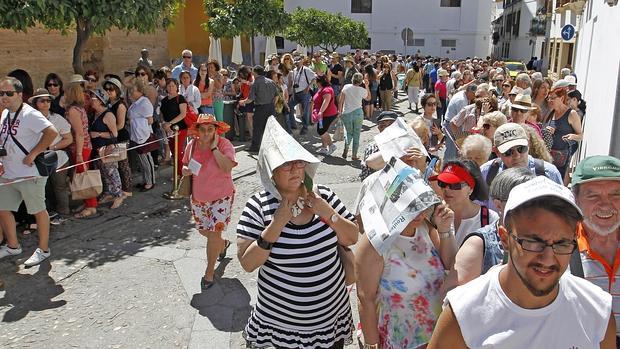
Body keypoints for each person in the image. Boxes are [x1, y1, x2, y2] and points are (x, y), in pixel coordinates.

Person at [428, 177, 617, 348]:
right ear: (504, 239)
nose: (548, 259)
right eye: (534, 242)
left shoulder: (597, 310)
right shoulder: (463, 312)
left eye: (561, 243)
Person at [236, 117, 358, 348]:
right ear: (271, 172)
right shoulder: (258, 207)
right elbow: (248, 263)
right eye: (285, 164)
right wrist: (276, 224)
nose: (294, 169)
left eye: (299, 162)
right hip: (282, 327)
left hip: (330, 322)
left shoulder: (325, 197)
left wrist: (325, 211)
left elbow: (352, 237)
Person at [355, 159, 457, 349]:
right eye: (410, 208)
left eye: (421, 206)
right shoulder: (374, 244)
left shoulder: (425, 228)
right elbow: (365, 299)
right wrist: (371, 346)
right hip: (398, 341)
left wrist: (445, 230)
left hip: (436, 336)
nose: (418, 214)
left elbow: (450, 265)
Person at [443, 167, 536, 293]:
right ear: (498, 205)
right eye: (522, 202)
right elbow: (449, 294)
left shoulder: (548, 238)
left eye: (536, 201)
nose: (532, 208)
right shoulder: (479, 243)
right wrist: (491, 280)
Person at [0, 77, 58, 266]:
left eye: (8, 93)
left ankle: (43, 250)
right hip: (9, 173)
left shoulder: (29, 114)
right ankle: (13, 245)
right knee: (3, 209)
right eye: (1, 93)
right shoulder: (4, 114)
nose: (4, 97)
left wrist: (33, 153)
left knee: (38, 211)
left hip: (29, 173)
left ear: (19, 94)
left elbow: (52, 132)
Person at [182, 115, 236, 290]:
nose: (206, 134)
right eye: (202, 130)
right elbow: (184, 165)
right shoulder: (192, 145)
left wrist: (214, 149)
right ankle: (223, 244)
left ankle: (209, 272)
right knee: (205, 232)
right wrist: (185, 171)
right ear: (197, 131)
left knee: (213, 235)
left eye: (210, 129)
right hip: (199, 198)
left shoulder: (224, 145)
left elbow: (227, 167)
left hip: (221, 198)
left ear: (216, 130)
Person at [571, 156, 620, 338]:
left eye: (616, 194)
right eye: (593, 195)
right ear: (576, 199)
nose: (605, 204)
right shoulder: (559, 249)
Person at [480, 123, 562, 206]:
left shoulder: (549, 173)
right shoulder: (486, 173)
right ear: (497, 152)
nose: (517, 156)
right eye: (508, 152)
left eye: (521, 148)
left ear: (528, 145)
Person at [429, 160, 499, 246]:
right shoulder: (433, 215)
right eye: (442, 183)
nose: (446, 189)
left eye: (455, 185)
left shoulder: (490, 218)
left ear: (470, 189)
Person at [30, 89, 72, 220]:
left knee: (59, 186)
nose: (46, 103)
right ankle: (48, 214)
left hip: (58, 157)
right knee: (44, 189)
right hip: (38, 159)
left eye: (48, 100)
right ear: (36, 103)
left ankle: (64, 212)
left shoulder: (57, 119)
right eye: (42, 101)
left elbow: (68, 139)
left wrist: (51, 147)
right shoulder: (29, 120)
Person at [65, 79, 98, 218]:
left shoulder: (73, 110)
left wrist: (78, 153)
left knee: (83, 175)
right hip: (84, 146)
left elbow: (79, 133)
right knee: (82, 175)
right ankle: (88, 202)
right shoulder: (80, 108)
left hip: (80, 148)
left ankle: (91, 205)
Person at [88, 88, 126, 208]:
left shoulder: (108, 115)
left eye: (93, 99)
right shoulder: (95, 114)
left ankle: (119, 194)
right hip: (98, 148)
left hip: (108, 148)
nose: (90, 101)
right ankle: (110, 192)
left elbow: (114, 134)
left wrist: (98, 134)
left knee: (112, 172)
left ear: (100, 100)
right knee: (104, 172)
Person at [544, 85, 582, 178]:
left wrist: (572, 136)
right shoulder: (550, 112)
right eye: (548, 99)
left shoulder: (571, 114)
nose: (550, 101)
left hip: (562, 157)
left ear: (561, 98)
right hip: (548, 156)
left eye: (553, 98)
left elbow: (580, 135)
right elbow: (543, 129)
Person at [103, 77, 132, 196]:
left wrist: (109, 130)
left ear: (117, 90)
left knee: (123, 164)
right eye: (107, 89)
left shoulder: (120, 105)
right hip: (113, 137)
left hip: (121, 137)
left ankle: (127, 189)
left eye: (111, 89)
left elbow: (120, 125)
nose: (109, 91)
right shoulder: (108, 103)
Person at [239, 65, 278, 153]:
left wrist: (242, 102)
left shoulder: (256, 83)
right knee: (270, 128)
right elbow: (276, 97)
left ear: (255, 73)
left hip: (261, 108)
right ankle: (271, 146)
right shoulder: (271, 81)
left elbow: (250, 99)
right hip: (271, 107)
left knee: (257, 128)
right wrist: (271, 105)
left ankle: (255, 147)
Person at [127, 79, 156, 191]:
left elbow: (150, 120)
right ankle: (145, 180)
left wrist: (138, 123)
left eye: (133, 91)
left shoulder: (144, 102)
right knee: (142, 160)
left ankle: (150, 181)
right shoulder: (136, 103)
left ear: (140, 91)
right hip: (137, 135)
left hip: (144, 135)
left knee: (147, 159)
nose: (131, 93)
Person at [338, 73, 370, 160]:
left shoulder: (346, 87)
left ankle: (346, 147)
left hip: (346, 113)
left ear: (352, 79)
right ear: (361, 81)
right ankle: (354, 155)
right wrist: (367, 86)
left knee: (348, 132)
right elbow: (368, 98)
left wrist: (339, 111)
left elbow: (341, 101)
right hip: (358, 113)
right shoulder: (362, 90)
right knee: (357, 134)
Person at [160, 78, 188, 176]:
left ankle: (181, 174)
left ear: (177, 87)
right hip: (169, 130)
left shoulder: (180, 98)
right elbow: (162, 114)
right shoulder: (164, 100)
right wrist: (165, 124)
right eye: (169, 86)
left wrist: (170, 123)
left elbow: (183, 114)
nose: (171, 88)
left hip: (180, 129)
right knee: (173, 151)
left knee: (178, 152)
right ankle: (178, 173)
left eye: (173, 85)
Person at [443, 83, 478, 161]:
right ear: (470, 92)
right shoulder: (462, 101)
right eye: (475, 94)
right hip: (452, 126)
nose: (475, 97)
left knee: (453, 149)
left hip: (452, 124)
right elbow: (460, 120)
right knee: (452, 150)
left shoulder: (463, 94)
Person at [359, 111, 398, 181]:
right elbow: (366, 174)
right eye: (383, 125)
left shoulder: (407, 144)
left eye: (391, 125)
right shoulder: (372, 147)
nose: (387, 129)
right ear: (379, 128)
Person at [288, 56, 316, 135]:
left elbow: (315, 77)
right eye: (295, 61)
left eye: (298, 60)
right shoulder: (293, 71)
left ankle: (305, 127)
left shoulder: (306, 69)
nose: (296, 62)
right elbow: (294, 82)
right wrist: (293, 92)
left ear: (302, 61)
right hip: (296, 93)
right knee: (289, 106)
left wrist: (308, 87)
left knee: (305, 111)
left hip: (304, 93)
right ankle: (293, 125)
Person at [312, 75, 339, 155]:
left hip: (328, 114)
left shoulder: (327, 90)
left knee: (321, 131)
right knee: (323, 130)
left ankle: (331, 145)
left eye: (315, 80)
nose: (314, 82)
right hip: (323, 114)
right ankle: (324, 147)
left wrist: (320, 112)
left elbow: (326, 101)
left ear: (319, 82)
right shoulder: (321, 88)